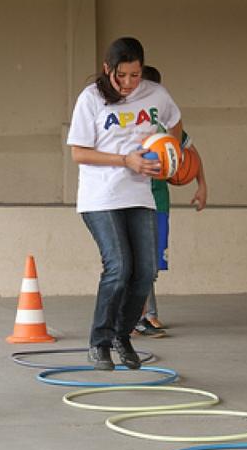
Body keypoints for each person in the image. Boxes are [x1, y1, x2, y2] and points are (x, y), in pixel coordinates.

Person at [67, 38, 183, 370]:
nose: (130, 83)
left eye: (135, 74)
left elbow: (175, 121)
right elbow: (79, 152)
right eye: (123, 76)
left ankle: (122, 335)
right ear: (108, 69)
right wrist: (124, 160)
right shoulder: (90, 99)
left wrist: (170, 151)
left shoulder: (155, 94)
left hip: (140, 196)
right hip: (100, 196)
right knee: (119, 268)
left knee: (145, 272)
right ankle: (99, 342)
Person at [132, 65, 208, 338]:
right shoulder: (129, 123)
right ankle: (135, 318)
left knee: (151, 265)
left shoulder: (167, 126)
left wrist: (202, 185)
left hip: (159, 202)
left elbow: (191, 151)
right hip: (134, 201)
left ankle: (147, 315)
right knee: (135, 263)